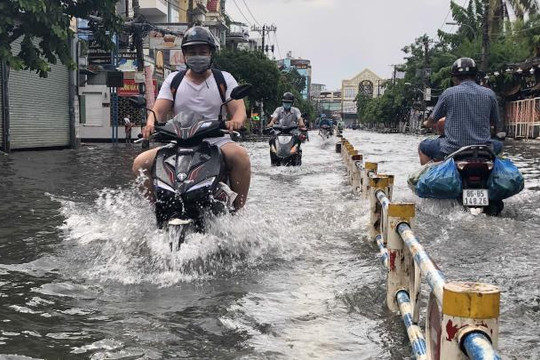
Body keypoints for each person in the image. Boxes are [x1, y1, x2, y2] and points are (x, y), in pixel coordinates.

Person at [132, 26, 251, 210]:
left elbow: (239, 111)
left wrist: (235, 121)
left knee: (241, 156)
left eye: (202, 52)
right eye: (192, 52)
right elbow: (158, 112)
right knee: (140, 163)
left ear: (211, 53)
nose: (198, 56)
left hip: (216, 139)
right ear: (185, 55)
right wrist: (149, 125)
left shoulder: (224, 79)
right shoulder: (174, 80)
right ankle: (155, 209)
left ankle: (238, 211)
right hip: (180, 140)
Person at [418, 57, 503, 165]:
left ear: (454, 78)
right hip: (484, 150)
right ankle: (494, 175)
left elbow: (432, 119)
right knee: (499, 146)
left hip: (451, 149)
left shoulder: (449, 93)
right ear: (475, 75)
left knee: (423, 146)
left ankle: (428, 176)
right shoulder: (489, 94)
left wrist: (426, 124)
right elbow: (495, 122)